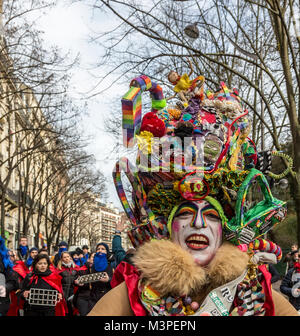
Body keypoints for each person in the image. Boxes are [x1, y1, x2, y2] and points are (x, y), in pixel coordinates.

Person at [88, 75, 298, 316]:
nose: (198, 223)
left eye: (210, 215)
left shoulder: (252, 285)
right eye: (187, 213)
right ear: (168, 226)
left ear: (225, 228)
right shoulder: (137, 291)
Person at [56, 251, 86, 316]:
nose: (67, 258)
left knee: (73, 311)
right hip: (63, 294)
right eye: (64, 257)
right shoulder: (59, 269)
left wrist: (78, 282)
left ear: (70, 258)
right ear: (61, 259)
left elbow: (78, 279)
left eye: (68, 256)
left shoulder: (76, 268)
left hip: (73, 293)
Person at [87, 243, 113, 312]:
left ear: (107, 251)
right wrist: (79, 283)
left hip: (107, 296)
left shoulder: (112, 264)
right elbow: (89, 280)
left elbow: (116, 281)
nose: (100, 250)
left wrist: (108, 280)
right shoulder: (93, 265)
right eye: (98, 249)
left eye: (102, 249)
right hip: (93, 297)